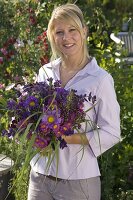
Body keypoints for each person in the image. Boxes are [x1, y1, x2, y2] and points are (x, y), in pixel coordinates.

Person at [28, 3, 121, 200]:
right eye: (59, 32)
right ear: (52, 36)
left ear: (84, 32)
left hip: (79, 179)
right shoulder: (45, 72)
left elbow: (112, 132)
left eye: (72, 30)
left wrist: (69, 138)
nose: (66, 37)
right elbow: (35, 117)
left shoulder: (100, 79)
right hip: (40, 175)